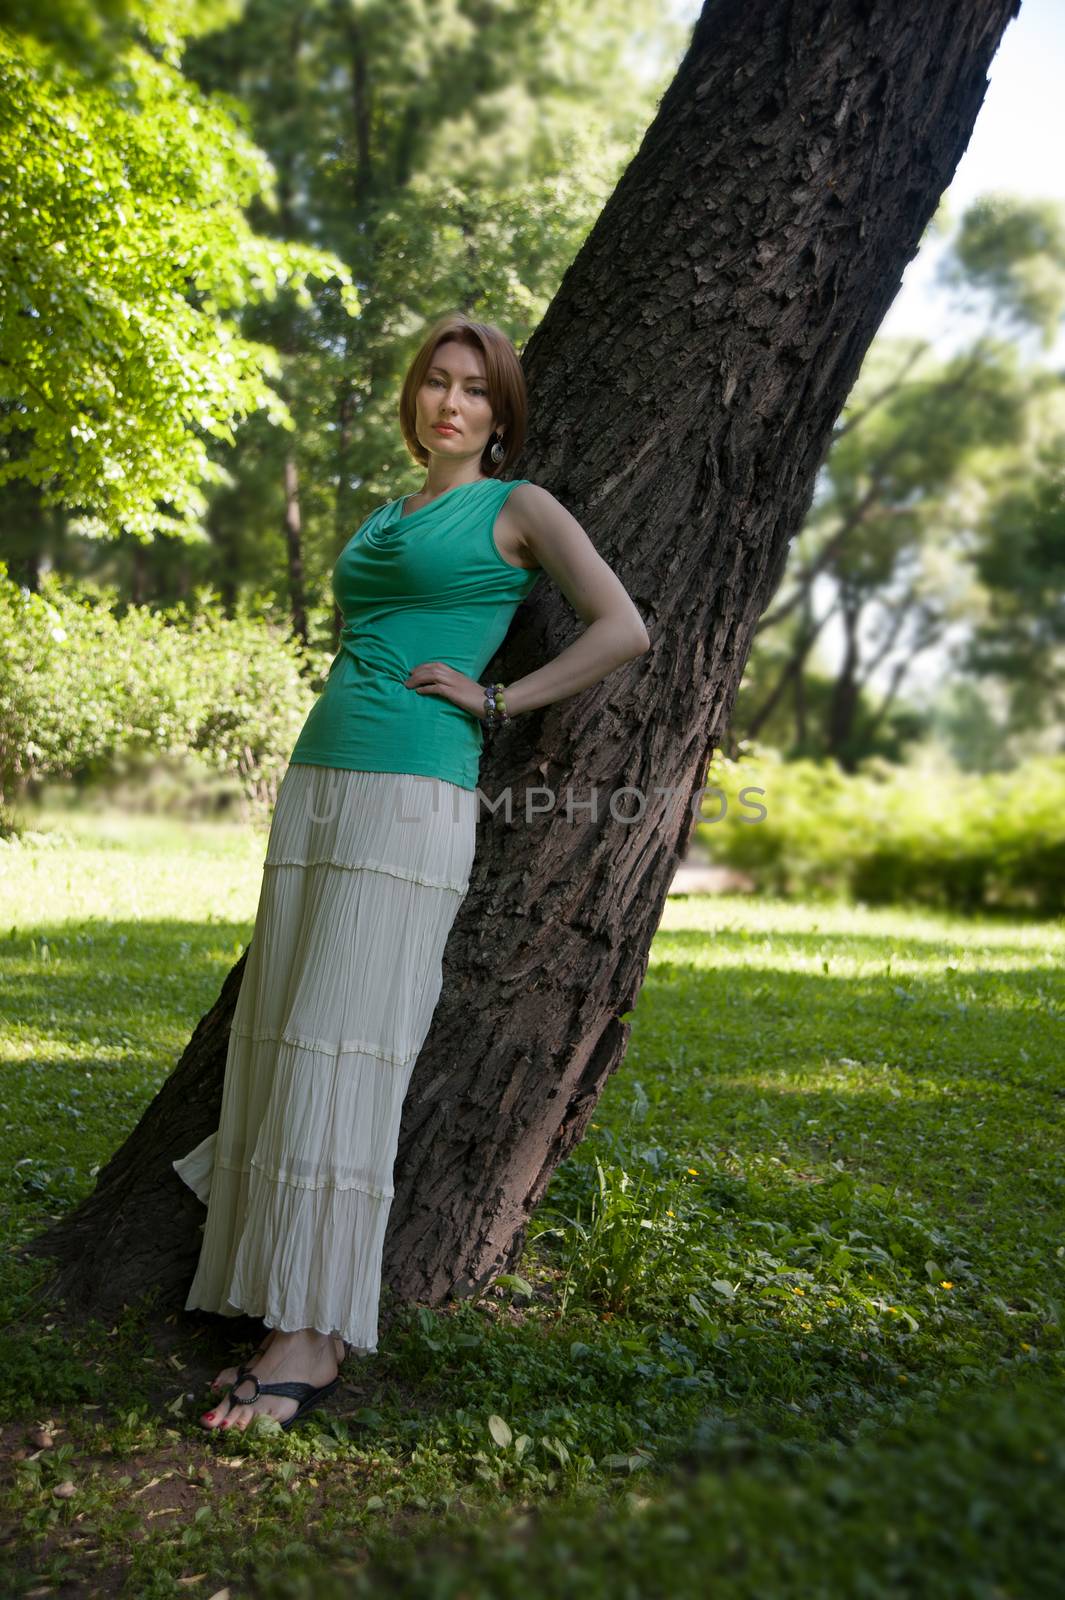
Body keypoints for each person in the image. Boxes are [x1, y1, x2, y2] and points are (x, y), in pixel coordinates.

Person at [175, 312, 650, 1433]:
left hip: (412, 795)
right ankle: (273, 1295)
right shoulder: (390, 513)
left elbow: (622, 626)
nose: (451, 403)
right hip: (320, 784)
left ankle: (315, 1332)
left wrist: (496, 700)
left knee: (353, 1040)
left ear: (501, 414)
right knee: (288, 1034)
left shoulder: (517, 508)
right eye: (436, 382)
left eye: (475, 390)